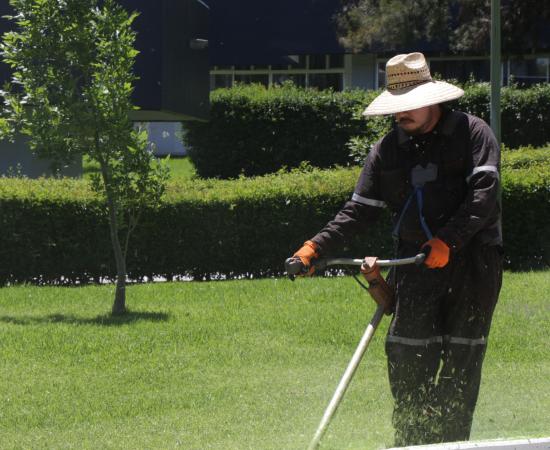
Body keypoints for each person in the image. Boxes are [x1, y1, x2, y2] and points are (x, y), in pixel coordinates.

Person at [287, 52, 503, 446]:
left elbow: (483, 199)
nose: (399, 115)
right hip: (416, 266)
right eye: (396, 106)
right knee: (408, 355)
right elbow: (359, 210)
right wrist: (314, 249)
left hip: (472, 265)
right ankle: (412, 441)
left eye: (408, 106)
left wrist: (448, 241)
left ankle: (450, 443)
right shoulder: (388, 149)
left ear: (432, 99)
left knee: (461, 359)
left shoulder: (473, 134)